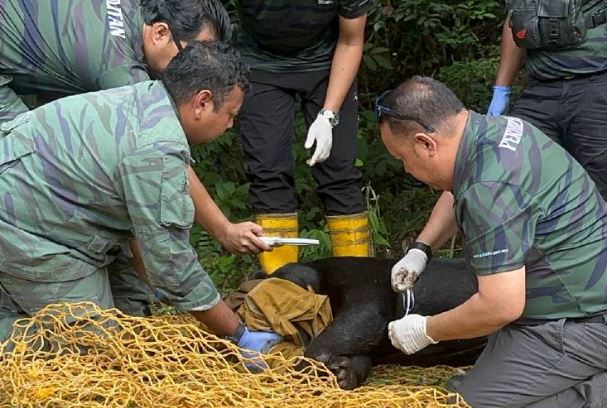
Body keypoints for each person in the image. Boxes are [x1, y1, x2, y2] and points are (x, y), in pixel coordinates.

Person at [379, 77, 607, 408]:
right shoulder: (497, 131)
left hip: (590, 320)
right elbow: (459, 187)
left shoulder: (489, 187)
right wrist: (421, 249)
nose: (406, 169)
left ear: (425, 143)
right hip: (595, 298)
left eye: (403, 158)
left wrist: (425, 330)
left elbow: (501, 306)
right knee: (478, 384)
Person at [0, 42, 280, 360]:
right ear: (202, 102)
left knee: (133, 321)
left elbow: (144, 235)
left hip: (58, 211)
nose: (230, 125)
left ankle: (23, 295)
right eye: (230, 115)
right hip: (23, 226)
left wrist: (159, 281)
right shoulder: (157, 150)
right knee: (95, 352)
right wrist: (238, 334)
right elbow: (173, 267)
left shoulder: (148, 96)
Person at [0, 0, 267, 257]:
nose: (196, 71)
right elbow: (162, 152)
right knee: (31, 156)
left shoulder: (134, 12)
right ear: (161, 32)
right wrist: (224, 229)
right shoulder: (118, 65)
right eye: (190, 56)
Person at [226, 0, 371, 274]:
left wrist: (329, 116)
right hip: (260, 64)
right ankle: (281, 287)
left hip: (328, 64)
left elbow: (351, 41)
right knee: (269, 169)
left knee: (340, 172)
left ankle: (359, 280)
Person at [486, 0, 607, 214]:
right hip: (540, 88)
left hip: (599, 84)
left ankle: (600, 246)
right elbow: (517, 20)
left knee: (598, 197)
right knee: (512, 176)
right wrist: (501, 89)